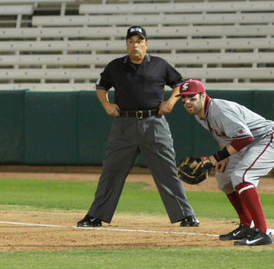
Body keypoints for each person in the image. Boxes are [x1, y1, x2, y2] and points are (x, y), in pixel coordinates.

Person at [77, 26, 200, 229]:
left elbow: (179, 83)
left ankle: (186, 215)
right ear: (127, 44)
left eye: (139, 41)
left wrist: (170, 103)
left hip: (154, 123)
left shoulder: (160, 65)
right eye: (131, 41)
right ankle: (95, 216)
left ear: (146, 44)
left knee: (167, 170)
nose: (135, 45)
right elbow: (101, 87)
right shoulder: (116, 66)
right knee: (111, 171)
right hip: (124, 125)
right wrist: (107, 105)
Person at [178, 78, 274, 246]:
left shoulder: (219, 110)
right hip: (248, 144)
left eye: (192, 97)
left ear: (203, 96)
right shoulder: (200, 114)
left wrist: (214, 158)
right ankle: (246, 225)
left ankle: (263, 232)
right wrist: (224, 157)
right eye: (184, 98)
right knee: (224, 178)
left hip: (270, 139)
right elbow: (224, 135)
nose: (187, 102)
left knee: (242, 176)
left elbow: (245, 137)